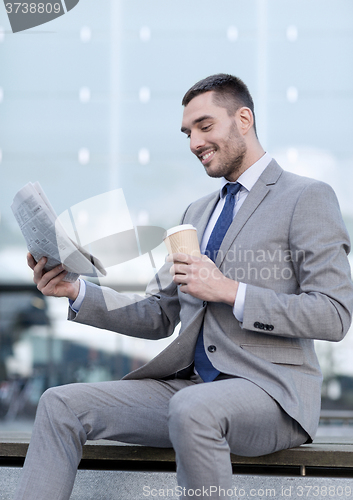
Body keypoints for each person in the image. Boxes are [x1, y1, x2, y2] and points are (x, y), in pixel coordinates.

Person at [16, 74, 353, 500]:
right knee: (58, 404)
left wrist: (231, 291)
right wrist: (76, 290)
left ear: (244, 119)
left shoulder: (307, 197)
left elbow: (334, 313)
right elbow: (160, 313)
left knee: (193, 408)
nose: (194, 141)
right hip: (189, 391)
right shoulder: (197, 211)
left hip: (273, 395)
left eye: (205, 126)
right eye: (187, 132)